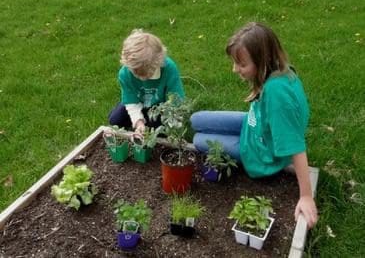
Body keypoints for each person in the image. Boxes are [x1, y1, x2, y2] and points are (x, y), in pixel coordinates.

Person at [190, 22, 318, 228]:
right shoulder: (278, 69)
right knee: (196, 120)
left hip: (259, 151)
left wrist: (306, 196)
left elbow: (295, 144)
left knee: (198, 140)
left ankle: (272, 163)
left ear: (262, 60)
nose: (235, 69)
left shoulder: (278, 96)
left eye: (241, 65)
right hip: (254, 125)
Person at [108, 29, 185, 135]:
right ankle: (142, 120)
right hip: (138, 101)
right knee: (115, 119)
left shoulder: (169, 68)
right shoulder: (125, 73)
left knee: (157, 128)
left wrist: (174, 122)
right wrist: (138, 122)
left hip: (160, 107)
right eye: (137, 75)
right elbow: (131, 101)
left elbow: (176, 100)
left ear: (159, 62)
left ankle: (151, 122)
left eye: (148, 75)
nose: (143, 79)